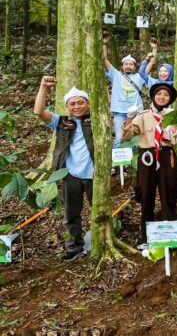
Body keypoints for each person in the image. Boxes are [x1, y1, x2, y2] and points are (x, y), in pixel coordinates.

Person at [34, 78, 94, 261]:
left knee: (99, 211)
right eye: (72, 104)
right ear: (67, 106)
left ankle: (102, 240)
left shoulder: (97, 120)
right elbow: (39, 111)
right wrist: (43, 87)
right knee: (71, 213)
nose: (77, 106)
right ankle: (75, 247)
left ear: (88, 104)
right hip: (70, 174)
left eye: (81, 102)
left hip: (94, 174)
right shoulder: (61, 122)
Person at [122, 83, 177, 244]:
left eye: (166, 95)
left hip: (166, 155)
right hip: (147, 156)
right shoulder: (143, 115)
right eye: (159, 94)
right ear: (153, 96)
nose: (162, 97)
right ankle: (146, 238)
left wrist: (172, 132)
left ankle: (170, 237)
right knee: (146, 194)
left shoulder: (173, 116)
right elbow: (126, 136)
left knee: (169, 193)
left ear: (170, 99)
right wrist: (129, 117)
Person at [102, 35, 145, 148]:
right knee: (119, 138)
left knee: (134, 139)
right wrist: (104, 43)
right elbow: (104, 59)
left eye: (131, 64)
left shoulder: (139, 77)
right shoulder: (116, 75)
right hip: (119, 112)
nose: (128, 66)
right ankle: (116, 164)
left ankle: (132, 164)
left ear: (135, 67)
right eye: (126, 64)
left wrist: (153, 52)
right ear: (122, 66)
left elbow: (149, 65)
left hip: (136, 112)